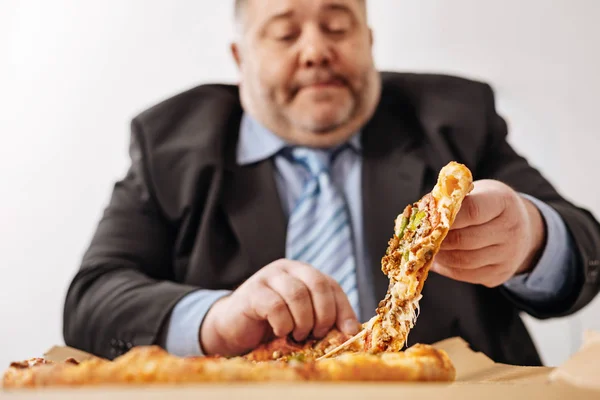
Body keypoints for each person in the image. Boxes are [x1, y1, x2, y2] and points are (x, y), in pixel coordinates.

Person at [62, 0, 600, 366]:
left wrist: (530, 237)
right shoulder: (168, 143)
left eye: (338, 26)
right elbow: (92, 299)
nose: (316, 50)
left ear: (368, 41)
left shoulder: (455, 118)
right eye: (285, 32)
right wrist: (214, 318)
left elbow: (583, 246)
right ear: (239, 58)